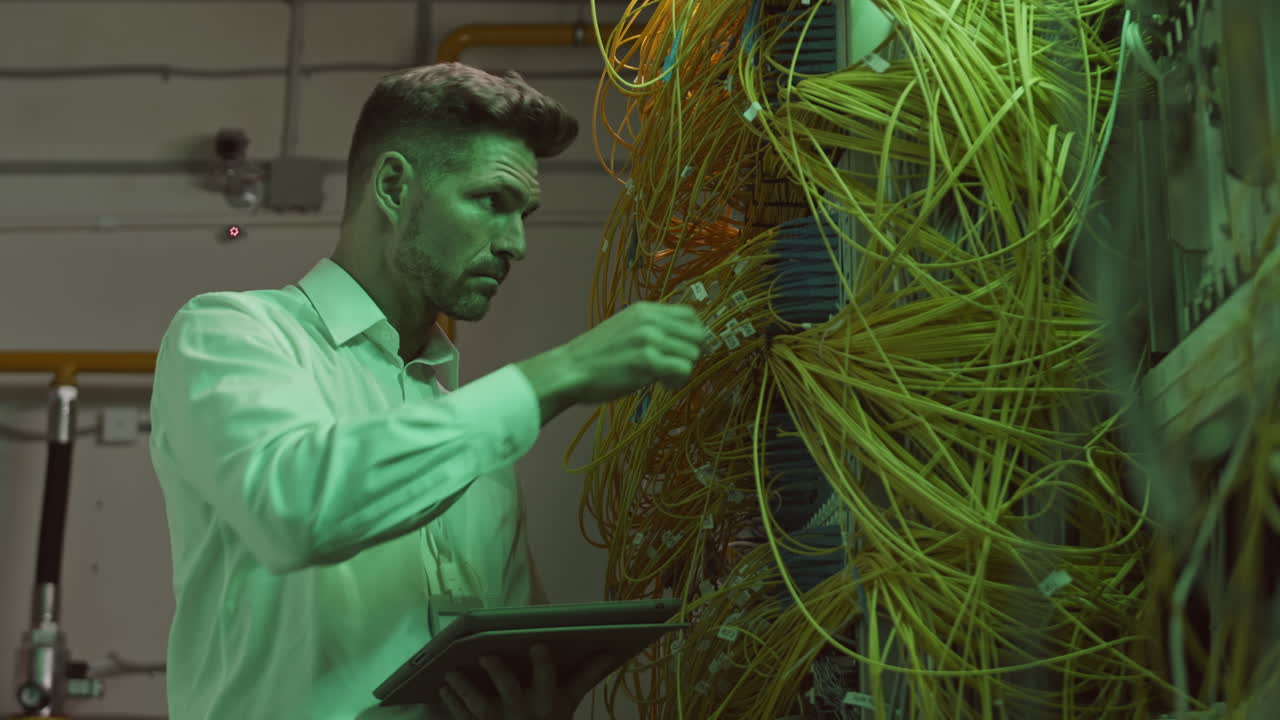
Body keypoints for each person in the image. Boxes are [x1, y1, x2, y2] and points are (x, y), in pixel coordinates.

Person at [148, 62, 710, 720]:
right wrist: (561, 373)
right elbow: (293, 508)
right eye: (491, 201)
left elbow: (510, 654)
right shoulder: (233, 332)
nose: (517, 244)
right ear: (394, 187)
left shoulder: (472, 431)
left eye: (524, 214)